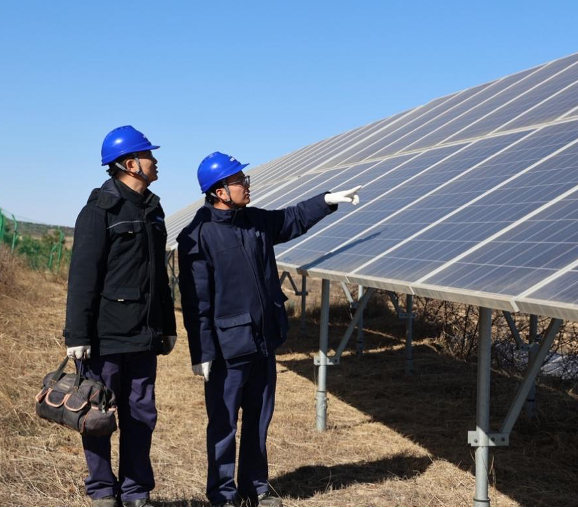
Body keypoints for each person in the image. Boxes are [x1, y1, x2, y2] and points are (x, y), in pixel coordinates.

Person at [177, 151, 361, 507]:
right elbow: (197, 302)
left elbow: (292, 219)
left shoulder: (255, 222)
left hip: (263, 341)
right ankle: (222, 494)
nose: (247, 185)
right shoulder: (197, 237)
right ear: (219, 191)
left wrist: (325, 201)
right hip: (228, 349)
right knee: (224, 424)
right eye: (239, 181)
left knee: (259, 419)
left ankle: (255, 487)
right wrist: (202, 352)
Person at [63, 125, 177, 508]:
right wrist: (77, 335)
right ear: (130, 164)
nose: (155, 161)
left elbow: (159, 278)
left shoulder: (153, 211)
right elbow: (82, 277)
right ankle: (101, 490)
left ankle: (135, 491)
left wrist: (167, 327)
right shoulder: (98, 211)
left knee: (141, 414)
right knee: (97, 415)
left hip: (143, 336)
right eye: (148, 155)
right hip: (105, 338)